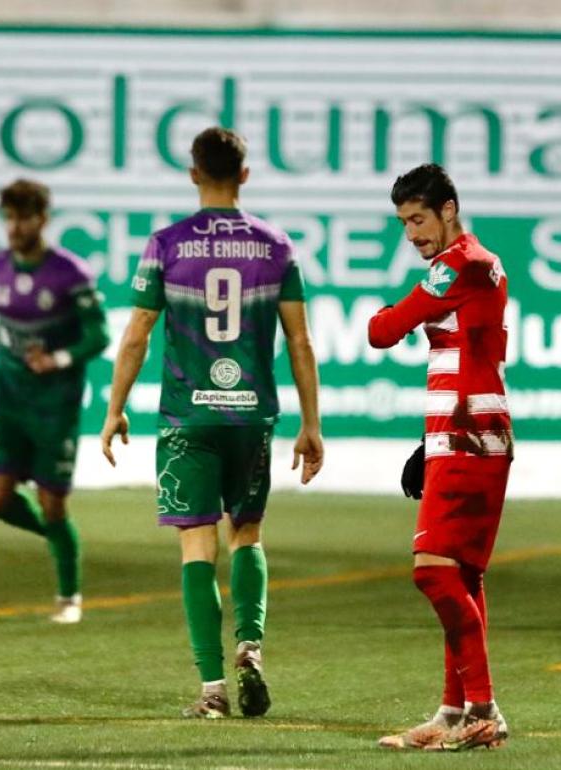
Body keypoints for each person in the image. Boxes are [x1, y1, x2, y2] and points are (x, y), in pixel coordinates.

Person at [100, 127, 324, 718]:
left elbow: (137, 335)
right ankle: (250, 650)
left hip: (187, 416)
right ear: (244, 175)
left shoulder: (166, 244)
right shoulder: (276, 246)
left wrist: (114, 408)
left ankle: (212, 691)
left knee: (197, 549)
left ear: (194, 173)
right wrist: (312, 423)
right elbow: (299, 339)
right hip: (251, 416)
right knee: (246, 534)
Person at [368, 164, 512, 751]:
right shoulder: (474, 265)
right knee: (462, 577)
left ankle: (482, 708)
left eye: (419, 219)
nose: (412, 233)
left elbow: (385, 329)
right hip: (467, 430)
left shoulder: (460, 264)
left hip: (468, 433)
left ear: (449, 209)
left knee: (432, 570)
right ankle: (454, 713)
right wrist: (427, 444)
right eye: (403, 222)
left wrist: (389, 317)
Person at [0, 179, 108, 624]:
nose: (14, 226)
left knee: (52, 503)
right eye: (9, 217)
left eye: (23, 217)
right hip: (8, 399)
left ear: (42, 219)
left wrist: (58, 359)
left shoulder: (70, 273)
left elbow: (99, 335)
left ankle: (69, 598)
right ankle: (60, 540)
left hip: (54, 405)